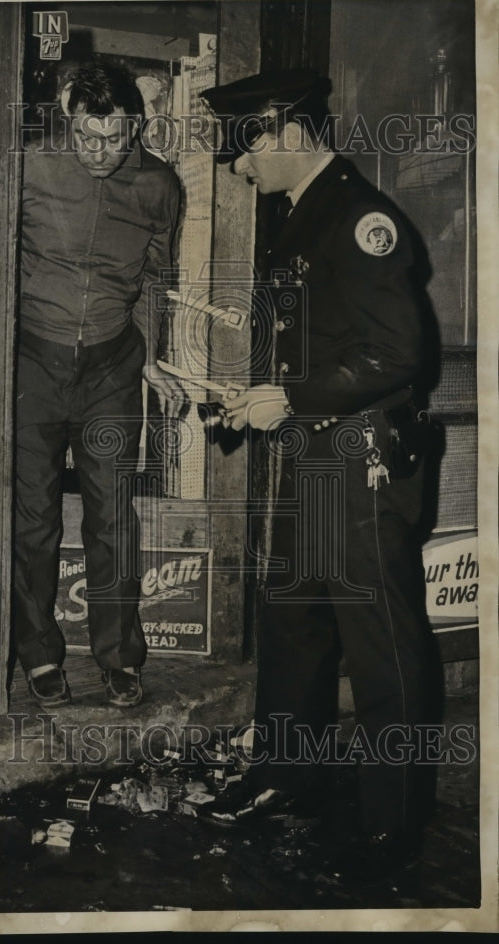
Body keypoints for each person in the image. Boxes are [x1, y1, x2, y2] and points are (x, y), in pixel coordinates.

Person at [200, 68, 441, 881]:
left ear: (285, 132)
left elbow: (397, 354)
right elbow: (325, 341)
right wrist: (260, 395)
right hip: (312, 451)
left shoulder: (363, 217)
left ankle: (392, 826)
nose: (239, 169)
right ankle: (286, 775)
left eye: (245, 152)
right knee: (294, 626)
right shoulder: (304, 212)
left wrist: (291, 396)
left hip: (362, 461)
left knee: (382, 650)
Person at [14, 61, 186, 709]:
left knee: (113, 518)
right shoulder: (29, 168)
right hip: (32, 362)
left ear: (135, 126)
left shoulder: (159, 184)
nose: (101, 154)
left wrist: (149, 357)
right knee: (33, 522)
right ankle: (38, 652)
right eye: (87, 137)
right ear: (68, 119)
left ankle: (118, 656)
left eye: (115, 139)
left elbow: (154, 278)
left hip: (112, 368)